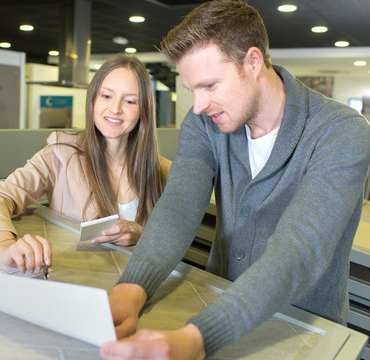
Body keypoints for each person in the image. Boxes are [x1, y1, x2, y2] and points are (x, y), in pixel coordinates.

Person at [100, 1, 370, 359]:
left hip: (304, 328)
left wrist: (198, 339)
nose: (198, 105)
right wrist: (132, 287)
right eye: (192, 89)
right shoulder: (205, 123)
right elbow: (180, 205)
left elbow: (300, 250)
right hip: (220, 307)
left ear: (253, 62)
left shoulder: (341, 132)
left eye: (210, 85)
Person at [0, 54, 171, 275]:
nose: (115, 109)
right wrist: (5, 246)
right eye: (106, 96)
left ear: (144, 110)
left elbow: (172, 241)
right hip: (75, 279)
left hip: (135, 286)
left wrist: (140, 234)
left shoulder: (163, 171)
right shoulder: (61, 153)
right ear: (93, 100)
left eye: (130, 101)